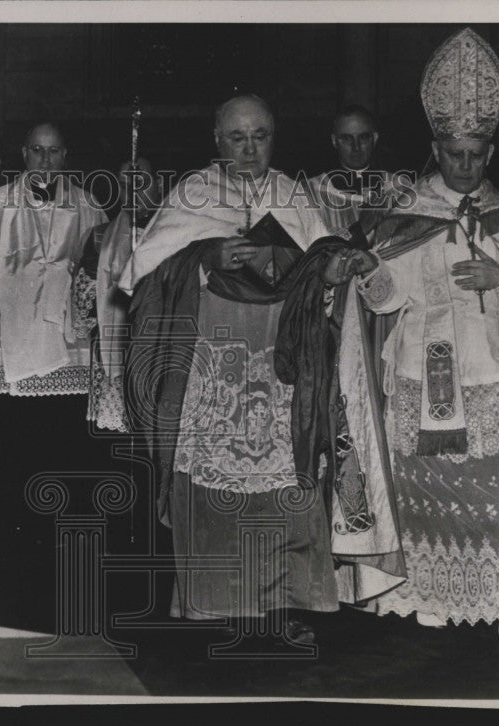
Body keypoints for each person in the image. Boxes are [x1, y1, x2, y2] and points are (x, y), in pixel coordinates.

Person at [121, 95, 398, 643]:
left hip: (281, 367)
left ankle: (283, 605)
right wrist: (203, 257)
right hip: (214, 367)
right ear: (217, 140)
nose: (250, 148)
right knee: (214, 489)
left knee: (284, 485)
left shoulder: (294, 194)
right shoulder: (193, 193)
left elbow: (324, 271)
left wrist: (332, 267)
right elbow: (141, 280)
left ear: (275, 136)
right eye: (237, 137)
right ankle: (215, 602)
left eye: (261, 136)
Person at [325, 28, 499, 642]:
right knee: (421, 491)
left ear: (491, 150)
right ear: (436, 146)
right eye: (455, 154)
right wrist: (369, 271)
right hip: (419, 374)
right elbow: (386, 298)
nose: (465, 166)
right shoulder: (408, 213)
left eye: (477, 154)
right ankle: (422, 594)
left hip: (494, 377)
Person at [0, 122, 107, 547]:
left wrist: (76, 284)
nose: (46, 161)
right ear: (25, 153)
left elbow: (101, 266)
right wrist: (14, 286)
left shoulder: (86, 203)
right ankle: (13, 527)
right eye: (38, 151)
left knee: (61, 435)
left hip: (65, 334)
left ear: (65, 156)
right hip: (14, 329)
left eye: (54, 152)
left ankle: (59, 526)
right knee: (14, 435)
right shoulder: (0, 201)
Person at [83, 157, 162, 432]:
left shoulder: (179, 232)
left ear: (159, 184)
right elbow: (85, 309)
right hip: (118, 356)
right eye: (124, 184)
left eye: (141, 182)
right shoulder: (100, 237)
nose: (132, 192)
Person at [309, 105, 407, 236]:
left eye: (363, 137)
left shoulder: (400, 188)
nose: (356, 147)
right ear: (334, 141)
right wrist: (360, 230)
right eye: (347, 138)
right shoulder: (311, 192)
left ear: (375, 138)